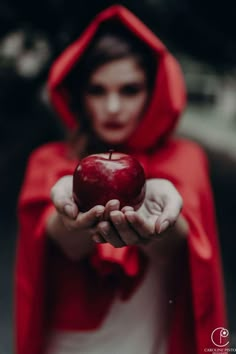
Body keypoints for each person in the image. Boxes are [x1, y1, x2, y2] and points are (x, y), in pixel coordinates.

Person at [15, 5, 227, 354]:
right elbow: (58, 238)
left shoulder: (185, 159)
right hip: (71, 343)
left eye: (129, 90)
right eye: (97, 91)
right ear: (80, 96)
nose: (113, 107)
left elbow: (182, 243)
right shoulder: (50, 162)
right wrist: (73, 218)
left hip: (148, 340)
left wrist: (156, 218)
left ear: (153, 93)